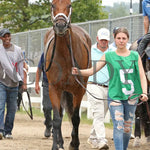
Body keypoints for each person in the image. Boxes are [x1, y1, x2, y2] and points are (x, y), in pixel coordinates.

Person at [72, 27, 148, 150]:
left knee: (127, 128)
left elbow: (141, 76)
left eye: (124, 38)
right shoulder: (108, 55)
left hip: (132, 96)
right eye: (119, 38)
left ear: (127, 40)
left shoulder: (135, 56)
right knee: (118, 125)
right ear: (115, 39)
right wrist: (78, 72)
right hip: (115, 95)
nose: (121, 41)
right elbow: (92, 70)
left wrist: (144, 92)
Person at [86, 28, 110, 149]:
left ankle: (92, 137)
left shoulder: (112, 52)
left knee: (101, 114)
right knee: (99, 113)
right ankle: (102, 140)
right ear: (97, 39)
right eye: (102, 40)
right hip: (93, 84)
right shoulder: (90, 51)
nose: (104, 42)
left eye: (106, 40)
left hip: (109, 87)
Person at [0, 28, 25, 140]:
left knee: (12, 109)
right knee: (0, 107)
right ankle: (0, 130)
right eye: (4, 36)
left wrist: (22, 81)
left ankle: (8, 131)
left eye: (8, 36)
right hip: (2, 83)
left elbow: (20, 67)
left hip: (14, 84)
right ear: (1, 38)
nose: (7, 38)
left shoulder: (18, 50)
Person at [35, 52, 53, 138]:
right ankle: (48, 125)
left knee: (59, 108)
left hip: (60, 85)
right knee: (47, 107)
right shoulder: (45, 54)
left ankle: (56, 128)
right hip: (47, 83)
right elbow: (39, 69)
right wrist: (36, 83)